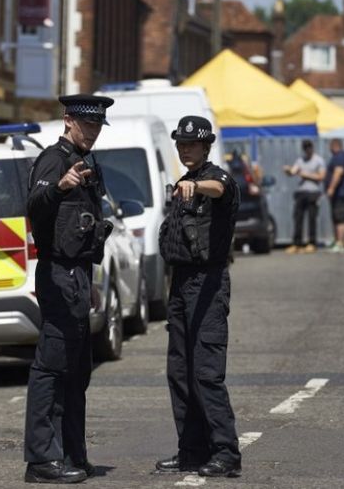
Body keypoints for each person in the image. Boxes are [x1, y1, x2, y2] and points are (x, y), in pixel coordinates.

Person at [23, 93, 114, 484]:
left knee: (77, 373)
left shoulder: (88, 163)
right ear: (67, 121)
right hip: (58, 274)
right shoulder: (54, 160)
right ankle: (42, 460)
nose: (92, 132)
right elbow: (35, 206)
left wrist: (91, 281)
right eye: (86, 124)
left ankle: (73, 453)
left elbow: (88, 226)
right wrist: (59, 186)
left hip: (77, 275)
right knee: (51, 368)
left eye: (97, 126)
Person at [156, 115, 242, 478]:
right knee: (180, 371)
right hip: (181, 284)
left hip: (207, 283)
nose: (185, 148)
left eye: (192, 144)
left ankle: (226, 452)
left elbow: (221, 189)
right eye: (181, 143)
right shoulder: (182, 183)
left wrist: (198, 187)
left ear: (206, 146)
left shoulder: (215, 179)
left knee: (206, 372)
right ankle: (191, 449)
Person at [282, 140, 326, 253]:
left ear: (312, 147)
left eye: (309, 147)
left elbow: (321, 176)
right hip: (301, 192)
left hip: (313, 192)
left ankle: (312, 242)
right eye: (305, 148)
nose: (307, 150)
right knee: (298, 218)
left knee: (312, 218)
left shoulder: (318, 160)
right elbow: (293, 172)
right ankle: (297, 243)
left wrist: (303, 174)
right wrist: (288, 171)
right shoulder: (300, 160)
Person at [324, 138, 344, 253]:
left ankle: (340, 243)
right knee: (336, 217)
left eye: (330, 146)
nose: (329, 149)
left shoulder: (340, 157)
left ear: (334, 146)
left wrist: (331, 187)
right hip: (339, 193)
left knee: (341, 218)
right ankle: (337, 241)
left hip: (342, 193)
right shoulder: (338, 157)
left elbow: (338, 172)